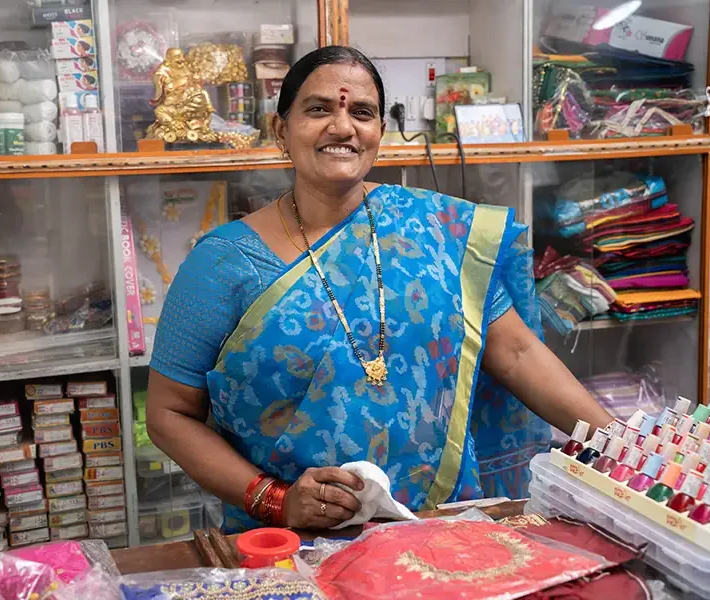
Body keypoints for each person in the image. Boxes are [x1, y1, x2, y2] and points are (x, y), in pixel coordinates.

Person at [147, 46, 612, 533]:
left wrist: (625, 447)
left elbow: (514, 352)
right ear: (281, 129)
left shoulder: (434, 231)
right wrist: (275, 500)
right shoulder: (224, 262)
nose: (343, 127)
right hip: (293, 541)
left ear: (379, 134)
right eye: (319, 109)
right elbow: (168, 413)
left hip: (441, 526)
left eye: (361, 112)